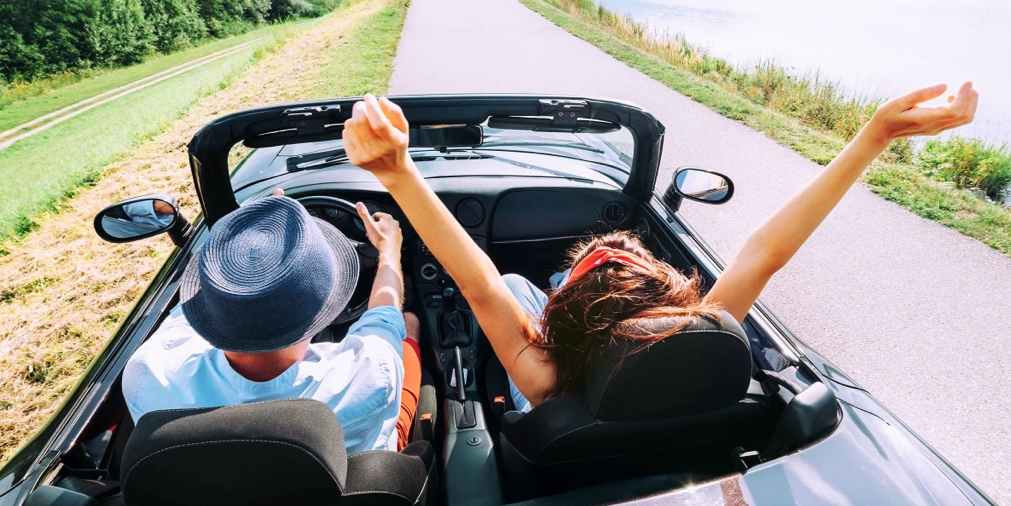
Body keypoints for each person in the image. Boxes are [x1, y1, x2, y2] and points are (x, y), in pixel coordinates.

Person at [343, 84, 977, 411]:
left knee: (511, 288)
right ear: (675, 302)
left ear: (562, 325)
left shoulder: (547, 382)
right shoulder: (704, 337)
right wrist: (874, 135)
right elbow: (765, 253)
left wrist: (399, 173)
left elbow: (480, 281)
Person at [122, 191, 425, 454]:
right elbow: (385, 311)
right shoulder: (373, 370)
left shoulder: (147, 372)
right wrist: (388, 250)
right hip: (352, 491)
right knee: (408, 322)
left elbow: (192, 306)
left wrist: (240, 251)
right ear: (325, 302)